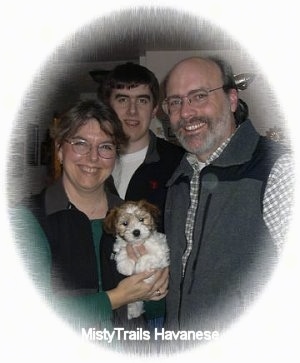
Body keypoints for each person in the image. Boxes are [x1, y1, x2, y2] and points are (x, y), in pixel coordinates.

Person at [9, 100, 168, 344]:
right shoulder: (27, 219)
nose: (93, 158)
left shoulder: (131, 219)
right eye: (81, 144)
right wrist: (115, 298)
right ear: (60, 149)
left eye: (105, 147)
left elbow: (156, 312)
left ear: (116, 155)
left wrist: (156, 291)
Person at [161, 56, 294, 338]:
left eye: (199, 96)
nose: (185, 113)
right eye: (175, 102)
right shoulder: (180, 179)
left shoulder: (278, 171)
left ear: (232, 99)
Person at [100, 62, 185, 328]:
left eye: (142, 100)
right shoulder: (90, 163)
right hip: (102, 304)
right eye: (123, 99)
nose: (132, 111)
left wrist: (171, 271)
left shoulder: (179, 163)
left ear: (155, 108)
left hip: (158, 309)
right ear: (108, 106)